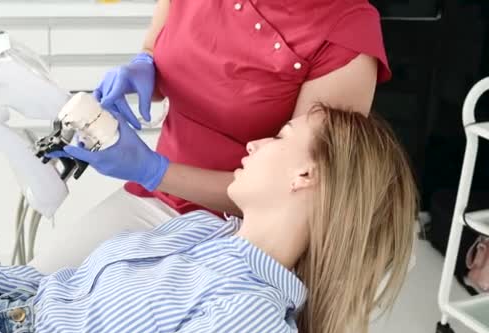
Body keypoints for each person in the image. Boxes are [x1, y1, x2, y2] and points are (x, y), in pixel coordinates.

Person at [0, 106, 415, 333]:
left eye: (278, 137)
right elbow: (56, 295)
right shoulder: (205, 232)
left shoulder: (248, 317)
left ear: (305, 174)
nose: (254, 144)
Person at [29, 0, 393, 273]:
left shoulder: (345, 33)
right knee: (35, 289)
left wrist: (153, 169)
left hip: (242, 234)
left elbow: (305, 196)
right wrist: (142, 69)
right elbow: (156, 50)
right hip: (152, 199)